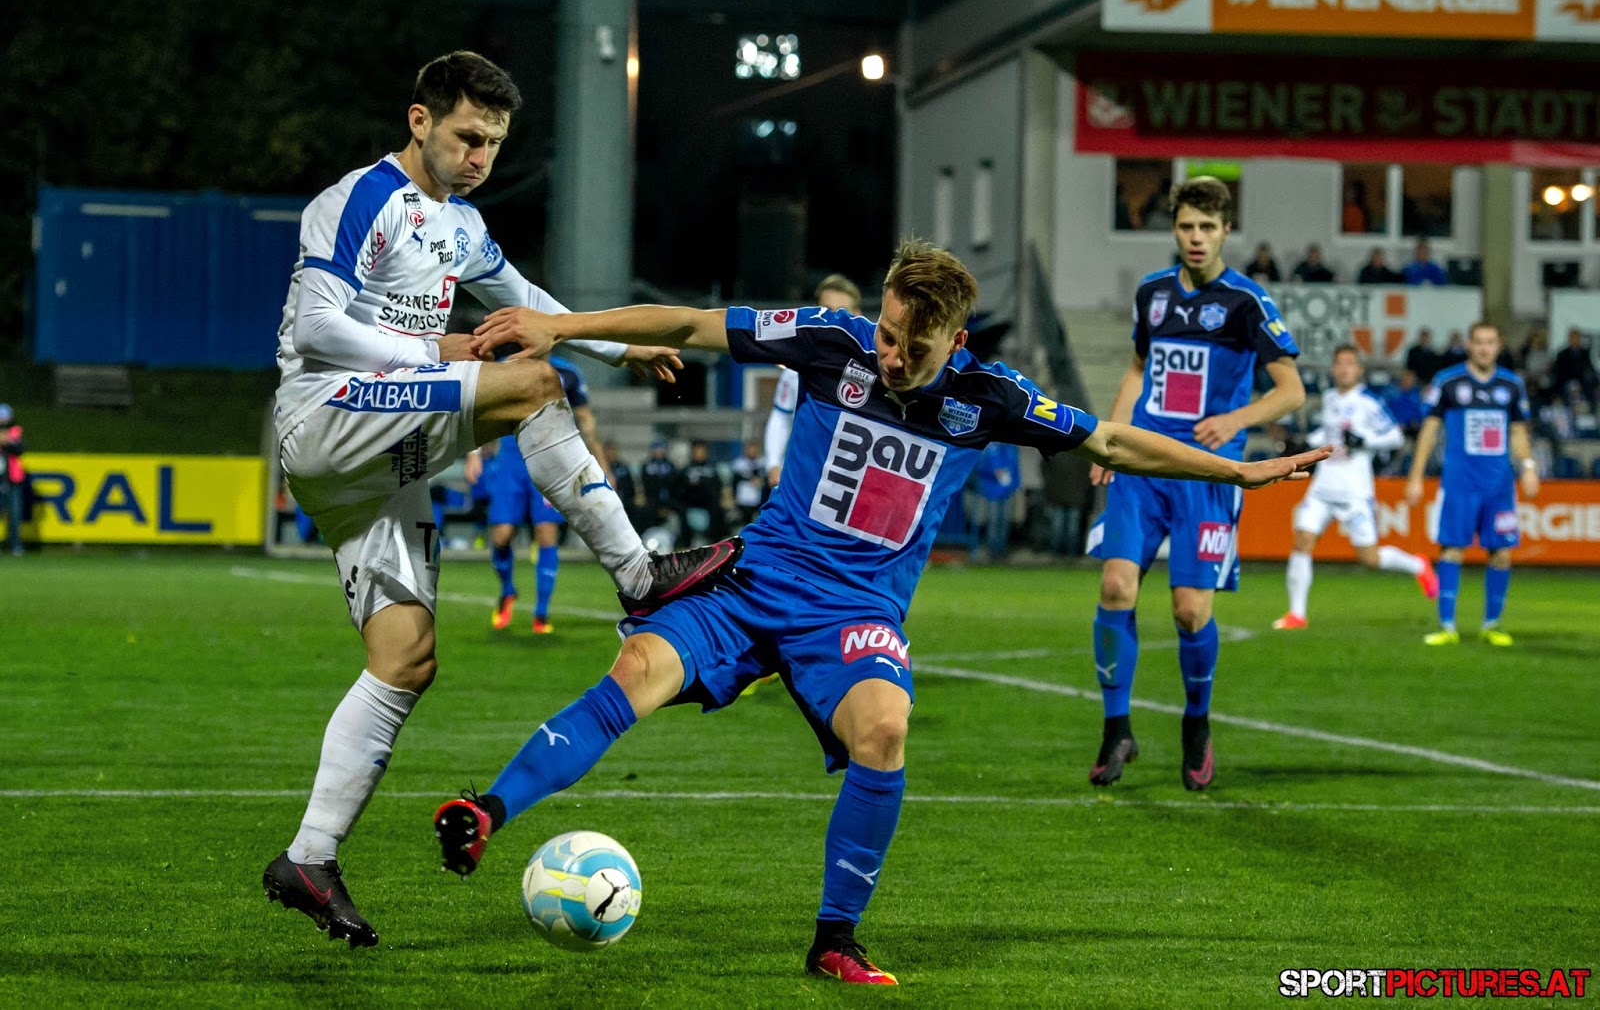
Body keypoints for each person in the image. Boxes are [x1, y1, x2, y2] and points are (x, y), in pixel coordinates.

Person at [431, 241, 1328, 985]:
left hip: (856, 610)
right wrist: (562, 327)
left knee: (886, 730)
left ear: (957, 340)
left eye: (914, 348)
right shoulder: (833, 340)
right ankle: (486, 810)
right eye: (890, 335)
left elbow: (1111, 438)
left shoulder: (988, 398)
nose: (892, 357)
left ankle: (835, 938)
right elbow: (697, 325)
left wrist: (1243, 472)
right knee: (635, 673)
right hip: (758, 580)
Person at [260, 51, 741, 948]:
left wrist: (617, 347)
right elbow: (317, 325)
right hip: (325, 417)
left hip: (378, 467)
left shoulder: (463, 225)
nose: (480, 155)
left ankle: (309, 857)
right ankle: (639, 576)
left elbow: (523, 300)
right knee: (530, 383)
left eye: (494, 142)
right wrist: (443, 352)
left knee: (405, 657)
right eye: (467, 135)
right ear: (419, 120)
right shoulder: (358, 198)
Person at [1085, 176, 1306, 793]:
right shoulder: (1152, 294)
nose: (1196, 238)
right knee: (1114, 584)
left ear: (1226, 231)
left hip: (1207, 475)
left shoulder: (1247, 302)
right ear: (1175, 228)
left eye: (1207, 228)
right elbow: (1137, 371)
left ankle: (1197, 723)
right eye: (1186, 227)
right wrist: (1111, 438)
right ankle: (1116, 727)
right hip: (1146, 462)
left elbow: (1292, 390)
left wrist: (1235, 420)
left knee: (1189, 611)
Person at [1273, 346, 1437, 629]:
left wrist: (1365, 441)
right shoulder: (1330, 398)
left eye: (1350, 363)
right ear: (1334, 369)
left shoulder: (1369, 402)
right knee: (1302, 541)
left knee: (1369, 559)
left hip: (1354, 491)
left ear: (1359, 369)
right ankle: (1296, 614)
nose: (1344, 368)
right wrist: (1306, 443)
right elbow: (1330, 434)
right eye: (1339, 363)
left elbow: (1395, 436)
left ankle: (1418, 565)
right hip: (1323, 487)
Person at [1405, 323, 1537, 646]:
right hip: (1459, 483)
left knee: (1502, 553)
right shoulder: (1448, 382)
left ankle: (1491, 625)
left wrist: (1529, 467)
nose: (1484, 348)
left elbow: (1519, 431)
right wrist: (1416, 476)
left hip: (1499, 485)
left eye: (1490, 342)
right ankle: (1447, 626)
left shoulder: (1511, 384)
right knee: (1451, 549)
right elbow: (1429, 430)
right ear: (1469, 345)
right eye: (1478, 342)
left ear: (1499, 345)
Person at [465, 353, 603, 635]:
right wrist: (474, 453)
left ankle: (541, 612)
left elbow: (585, 418)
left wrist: (600, 460)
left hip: (550, 458)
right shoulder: (505, 366)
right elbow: (480, 410)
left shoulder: (568, 373)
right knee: (501, 536)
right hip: (511, 460)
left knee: (546, 534)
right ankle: (507, 590)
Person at [764, 274, 863, 487]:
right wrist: (773, 463)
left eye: (841, 313)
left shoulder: (875, 367)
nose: (832, 320)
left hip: (853, 483)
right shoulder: (795, 369)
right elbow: (781, 416)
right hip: (805, 479)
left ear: (858, 316)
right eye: (825, 311)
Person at [969, 440, 1021, 562]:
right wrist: (994, 474)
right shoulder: (990, 448)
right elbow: (980, 467)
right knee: (994, 520)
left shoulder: (1011, 447)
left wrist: (1015, 484)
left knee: (1004, 521)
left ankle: (1001, 550)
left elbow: (1015, 467)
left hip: (1007, 490)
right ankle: (992, 551)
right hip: (992, 490)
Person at [679, 439, 726, 544]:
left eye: (702, 451)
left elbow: (718, 486)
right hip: (691, 504)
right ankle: (685, 544)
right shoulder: (686, 470)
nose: (700, 454)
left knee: (719, 512)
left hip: (709, 504)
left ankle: (716, 543)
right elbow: (680, 489)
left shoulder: (712, 469)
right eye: (697, 451)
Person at [640, 439, 683, 537]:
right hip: (653, 499)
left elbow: (676, 484)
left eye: (661, 448)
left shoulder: (671, 465)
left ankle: (681, 541)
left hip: (670, 499)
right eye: (656, 449)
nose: (659, 451)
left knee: (682, 512)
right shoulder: (647, 465)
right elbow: (647, 484)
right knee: (645, 513)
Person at [1552, 327, 1598, 414]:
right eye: (1573, 338)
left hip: (1582, 383)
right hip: (1566, 382)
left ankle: (1589, 417)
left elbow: (1590, 369)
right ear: (1569, 339)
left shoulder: (1584, 353)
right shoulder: (1562, 354)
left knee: (1591, 394)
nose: (1575, 340)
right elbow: (1558, 373)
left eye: (1577, 338)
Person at [0, 404, 24, 556]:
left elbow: (19, 448)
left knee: (15, 514)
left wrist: (6, 441)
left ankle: (15, 546)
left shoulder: (16, 431)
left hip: (13, 480)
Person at [731, 439, 767, 528]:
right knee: (743, 524)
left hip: (757, 500)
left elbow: (765, 481)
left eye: (754, 449)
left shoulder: (762, 463)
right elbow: (734, 482)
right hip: (743, 499)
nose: (752, 452)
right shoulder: (738, 464)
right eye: (750, 449)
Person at [1383, 368, 1427, 437]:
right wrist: (1396, 422)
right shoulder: (1390, 392)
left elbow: (1420, 411)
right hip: (1392, 428)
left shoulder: (1416, 394)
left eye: (1412, 379)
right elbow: (1383, 410)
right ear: (1402, 379)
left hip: (1411, 430)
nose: (1409, 381)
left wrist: (1416, 420)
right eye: (1407, 378)